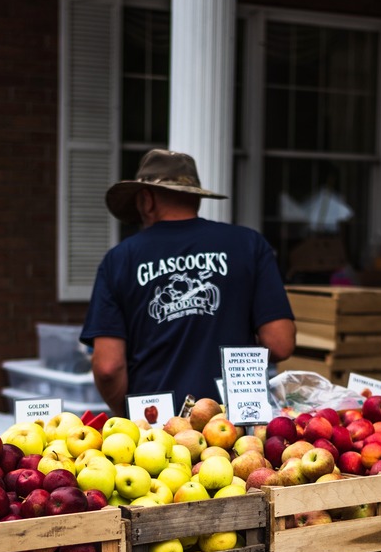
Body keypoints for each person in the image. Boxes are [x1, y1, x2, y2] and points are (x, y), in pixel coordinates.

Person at [82, 149, 296, 416]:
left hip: (157, 430)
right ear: (195, 198)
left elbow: (108, 368)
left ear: (146, 201)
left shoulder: (120, 259)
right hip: (235, 422)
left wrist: (132, 416)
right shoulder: (249, 244)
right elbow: (280, 343)